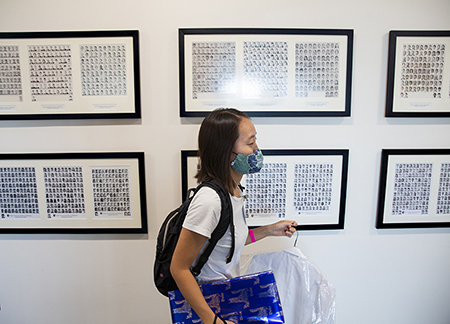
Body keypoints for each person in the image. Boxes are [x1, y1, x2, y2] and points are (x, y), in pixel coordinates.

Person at [170, 108, 297, 324]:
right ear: (226, 151)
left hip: (226, 301)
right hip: (209, 308)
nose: (257, 149)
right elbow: (179, 268)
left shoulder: (233, 192)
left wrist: (269, 230)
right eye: (250, 143)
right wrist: (213, 321)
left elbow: (226, 243)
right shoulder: (209, 201)